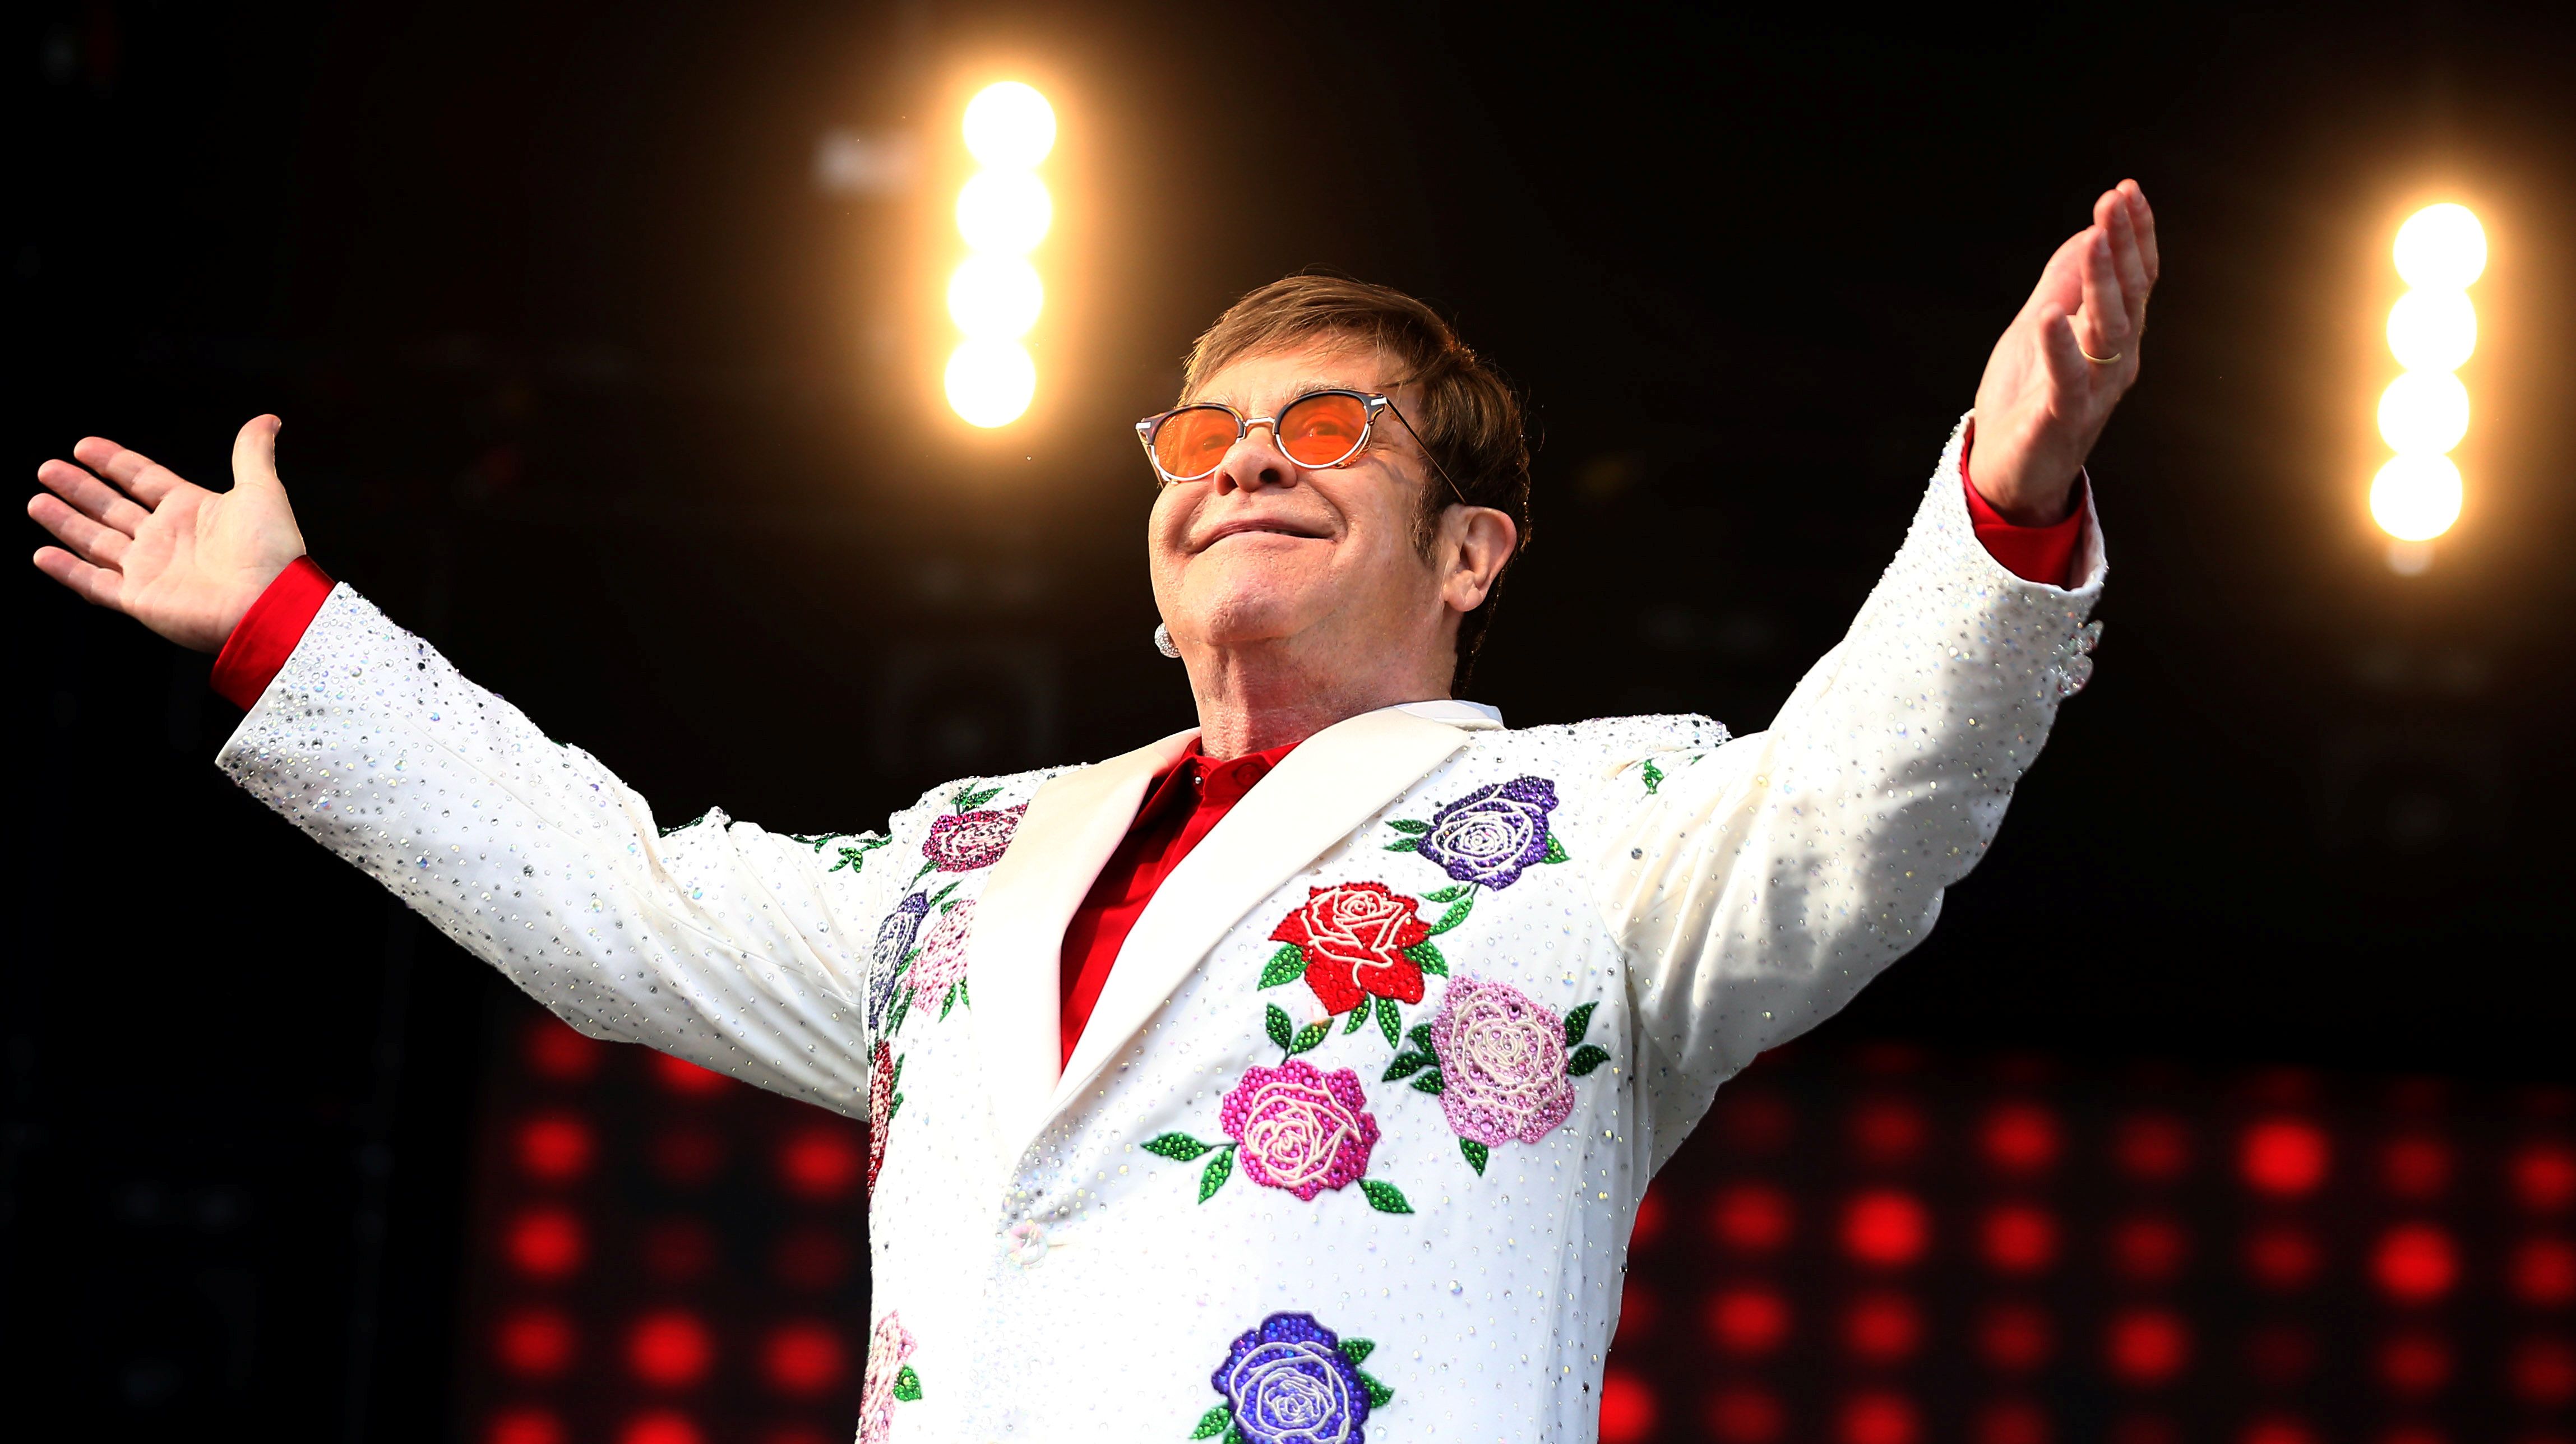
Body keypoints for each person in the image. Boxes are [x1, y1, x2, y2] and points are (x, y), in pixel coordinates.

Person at [27, 181, 2154, 1444]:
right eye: (1203, 437)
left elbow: (1861, 812)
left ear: (1473, 552)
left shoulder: (1595, 821)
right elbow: (621, 899)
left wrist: (2005, 494)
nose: (1248, 460)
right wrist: (289, 632)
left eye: (1331, 426)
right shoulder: (971, 856)